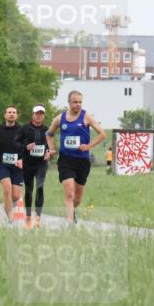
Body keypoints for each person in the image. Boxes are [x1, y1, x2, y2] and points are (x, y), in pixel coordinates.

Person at [46, 90, 107, 224]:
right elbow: (49, 134)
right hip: (66, 160)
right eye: (75, 102)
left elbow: (102, 134)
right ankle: (69, 223)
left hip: (82, 161)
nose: (78, 105)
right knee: (69, 193)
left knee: (77, 198)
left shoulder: (86, 117)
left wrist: (88, 146)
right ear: (69, 102)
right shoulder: (60, 118)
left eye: (80, 102)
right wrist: (51, 148)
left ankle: (72, 213)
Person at [0, 106, 25, 222]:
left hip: (17, 165)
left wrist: (23, 160)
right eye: (9, 112)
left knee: (16, 196)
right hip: (2, 164)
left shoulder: (22, 130)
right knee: (7, 189)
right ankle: (10, 220)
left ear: (17, 115)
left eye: (14, 112)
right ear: (5, 115)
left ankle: (7, 203)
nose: (11, 114)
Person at [20, 105, 54, 229]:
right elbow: (16, 143)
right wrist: (25, 147)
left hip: (41, 164)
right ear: (32, 115)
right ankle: (28, 218)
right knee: (29, 190)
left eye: (41, 114)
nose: (39, 115)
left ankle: (38, 219)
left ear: (44, 116)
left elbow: (51, 147)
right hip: (28, 163)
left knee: (40, 187)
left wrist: (49, 153)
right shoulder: (24, 128)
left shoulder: (47, 130)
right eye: (37, 113)